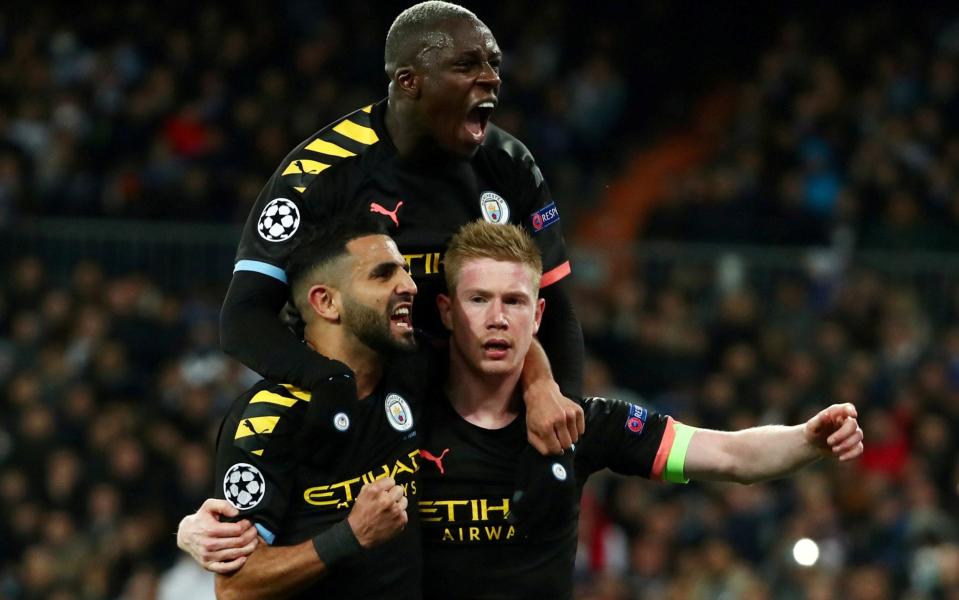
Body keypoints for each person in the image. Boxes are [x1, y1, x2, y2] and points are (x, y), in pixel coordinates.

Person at [183, 222, 865, 600]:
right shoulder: (395, 403)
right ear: (446, 312)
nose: (498, 320)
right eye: (478, 301)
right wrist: (196, 526)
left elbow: (731, 456)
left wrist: (806, 439)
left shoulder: (581, 425)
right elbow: (276, 490)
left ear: (538, 315)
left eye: (515, 303)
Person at [222, 0, 583, 454]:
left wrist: (558, 408)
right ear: (409, 81)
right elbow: (243, 318)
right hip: (357, 424)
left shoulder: (509, 165)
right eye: (467, 64)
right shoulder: (319, 173)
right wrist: (330, 382)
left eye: (494, 64)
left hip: (472, 414)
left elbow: (556, 307)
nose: (491, 77)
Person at [208, 216, 428, 600]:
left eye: (405, 272)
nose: (408, 286)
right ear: (326, 301)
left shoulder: (408, 373)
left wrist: (541, 383)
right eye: (382, 274)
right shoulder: (269, 418)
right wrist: (350, 536)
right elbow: (235, 586)